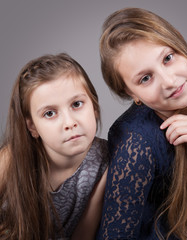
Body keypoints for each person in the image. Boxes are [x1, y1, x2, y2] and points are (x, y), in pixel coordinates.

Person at [96, 7, 187, 240]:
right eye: (145, 78)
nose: (170, 82)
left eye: (168, 58)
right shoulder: (135, 139)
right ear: (132, 93)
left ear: (180, 42)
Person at [0, 53, 109, 239]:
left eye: (77, 104)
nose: (69, 122)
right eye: (50, 113)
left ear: (95, 107)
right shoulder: (12, 157)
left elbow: (84, 234)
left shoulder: (105, 162)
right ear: (32, 127)